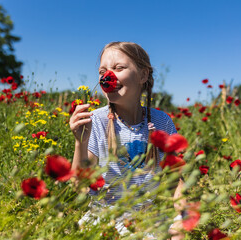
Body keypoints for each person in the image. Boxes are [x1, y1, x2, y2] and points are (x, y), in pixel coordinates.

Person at [70, 42, 185, 239]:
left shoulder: (161, 122)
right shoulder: (96, 120)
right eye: (102, 71)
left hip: (144, 222)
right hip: (104, 220)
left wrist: (183, 217)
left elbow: (177, 181)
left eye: (119, 68)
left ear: (143, 75)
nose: (108, 76)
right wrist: (80, 142)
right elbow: (78, 185)